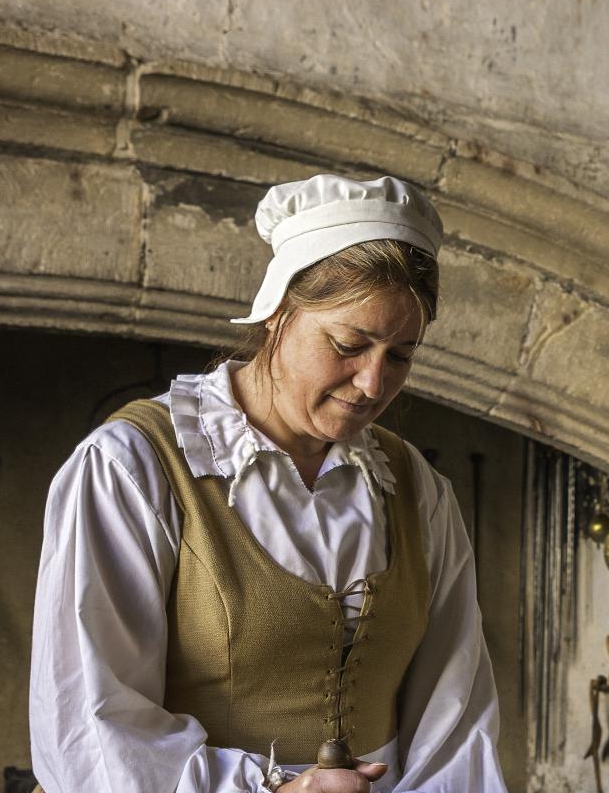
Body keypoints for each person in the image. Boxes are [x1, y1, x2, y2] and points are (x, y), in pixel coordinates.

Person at [29, 174, 505, 793]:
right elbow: (90, 725)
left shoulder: (417, 488)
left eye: (401, 355)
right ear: (278, 314)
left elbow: (457, 712)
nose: (372, 384)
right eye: (348, 344)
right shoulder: (132, 467)